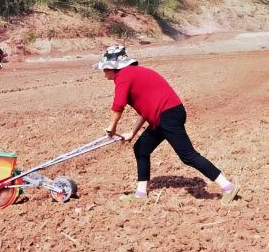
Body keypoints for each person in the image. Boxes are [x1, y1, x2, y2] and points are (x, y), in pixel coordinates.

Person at [94, 45, 239, 204]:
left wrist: (112, 127)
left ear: (114, 67)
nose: (104, 72)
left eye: (105, 68)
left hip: (167, 115)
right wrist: (132, 133)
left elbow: (118, 105)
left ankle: (227, 186)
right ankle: (140, 195)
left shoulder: (123, 76)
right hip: (165, 114)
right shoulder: (134, 73)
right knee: (141, 149)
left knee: (188, 156)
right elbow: (147, 108)